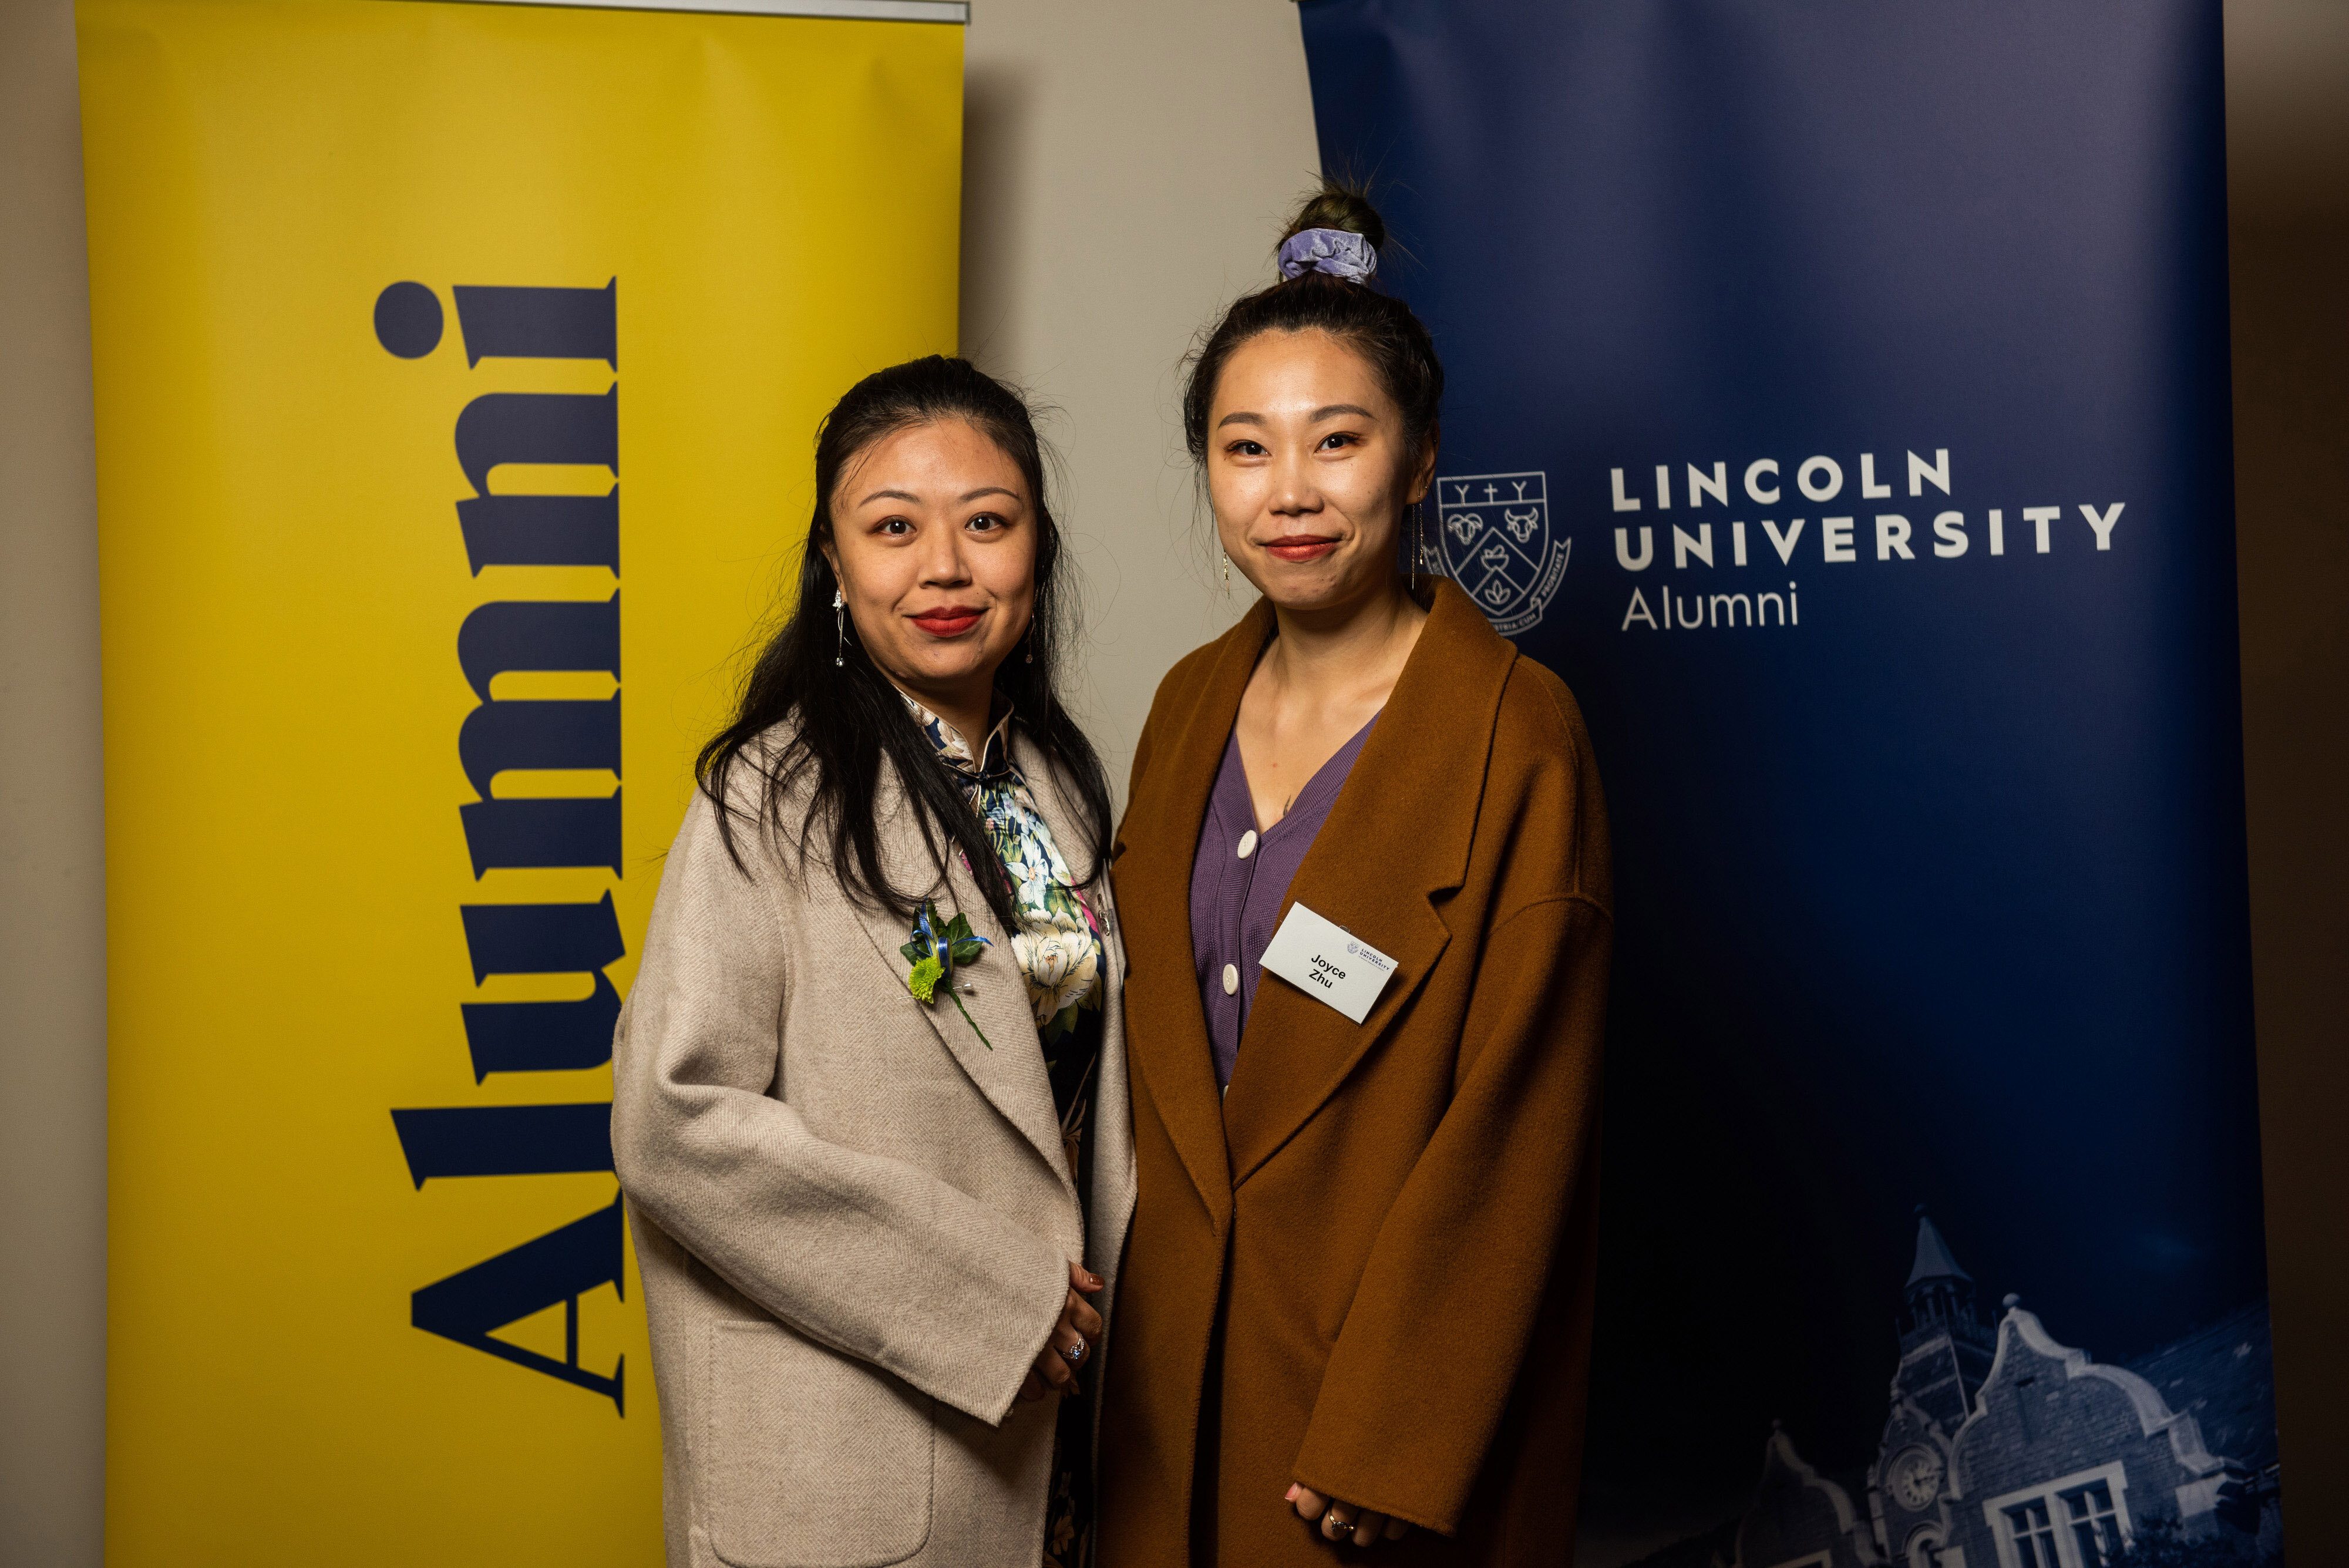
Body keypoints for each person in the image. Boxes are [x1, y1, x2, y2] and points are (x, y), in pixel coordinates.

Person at [1098, 189, 1612, 1566]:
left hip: (1360, 1414)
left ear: (1420, 458)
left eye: (1337, 440)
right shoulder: (1182, 706)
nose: (1289, 491)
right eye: (1244, 447)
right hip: (1162, 1392)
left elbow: (1522, 1115)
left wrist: (1398, 1429)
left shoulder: (1516, 731)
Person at [613, 355, 1133, 1568]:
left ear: (1037, 550)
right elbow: (670, 1119)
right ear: (835, 566)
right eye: (893, 528)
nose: (944, 567)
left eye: (986, 523)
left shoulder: (1055, 784)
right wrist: (990, 1298)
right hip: (854, 1448)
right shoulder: (769, 796)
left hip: (1063, 1445)